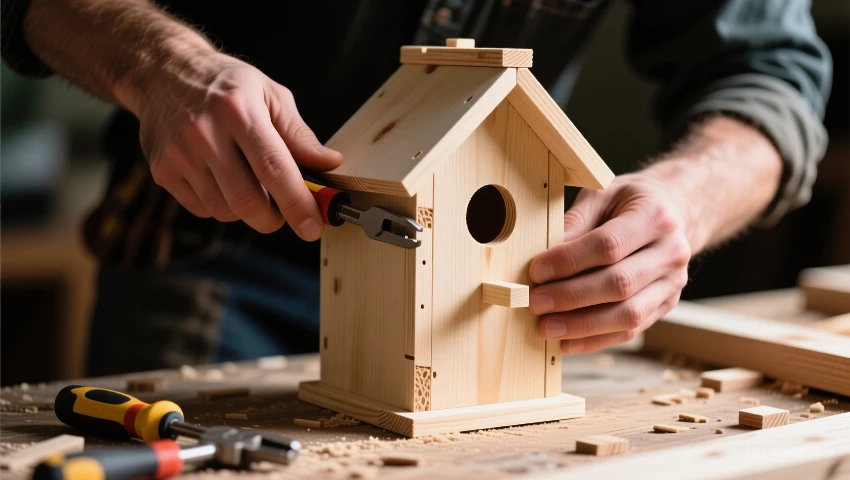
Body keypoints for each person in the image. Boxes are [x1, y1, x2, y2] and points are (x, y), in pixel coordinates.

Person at [2, 0, 831, 375]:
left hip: (479, 314)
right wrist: (158, 63)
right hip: (216, 264)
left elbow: (771, 73)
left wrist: (683, 200)